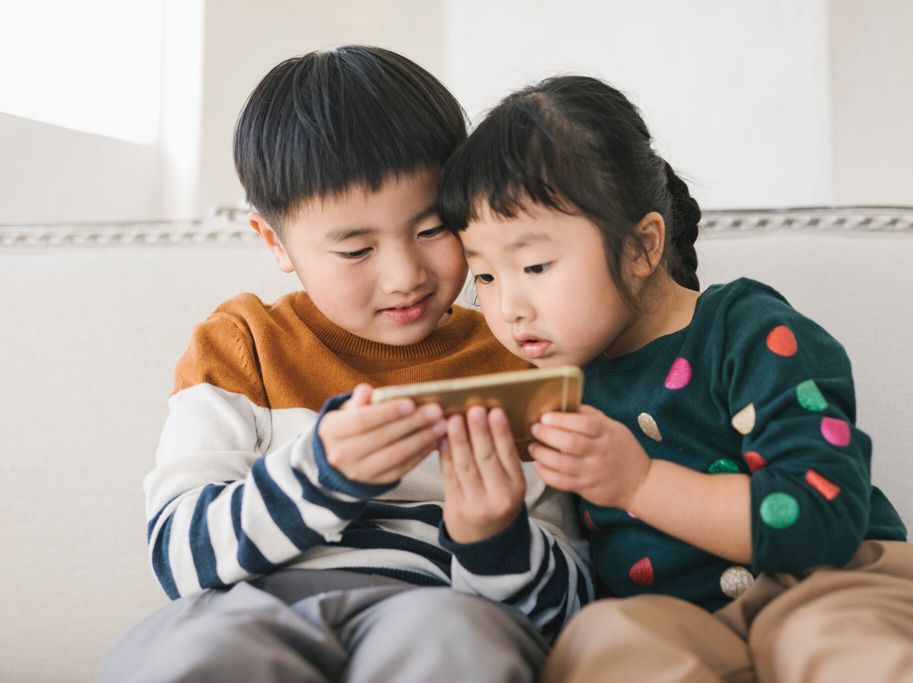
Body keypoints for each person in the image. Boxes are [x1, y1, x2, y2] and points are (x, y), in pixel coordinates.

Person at [436, 74, 913, 683]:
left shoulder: (748, 330)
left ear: (642, 248)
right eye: (485, 277)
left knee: (833, 642)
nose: (509, 307)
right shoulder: (550, 382)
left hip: (832, 587)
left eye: (536, 265)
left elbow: (821, 517)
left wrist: (640, 483)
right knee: (603, 639)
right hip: (682, 627)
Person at [100, 47, 591, 683]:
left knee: (456, 646)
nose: (405, 275)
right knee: (194, 654)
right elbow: (179, 557)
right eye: (357, 250)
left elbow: (568, 612)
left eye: (433, 229)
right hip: (249, 608)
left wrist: (496, 538)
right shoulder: (242, 345)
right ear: (275, 242)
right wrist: (319, 474)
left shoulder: (520, 358)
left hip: (439, 605)